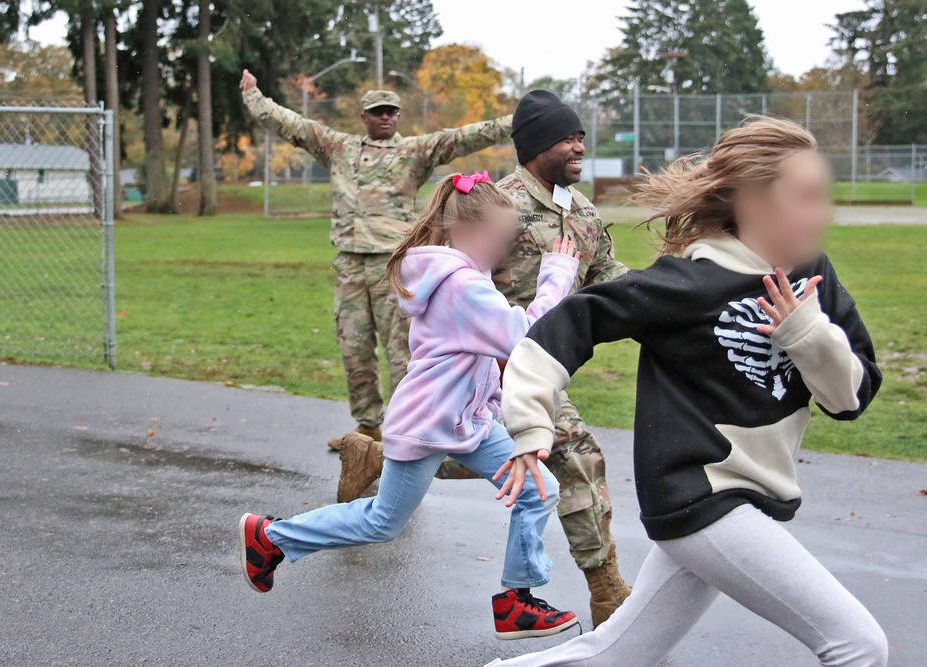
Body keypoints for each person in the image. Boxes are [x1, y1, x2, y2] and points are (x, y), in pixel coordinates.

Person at [484, 117, 888, 666]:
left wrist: (808, 334)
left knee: (615, 657)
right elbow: (556, 333)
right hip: (703, 497)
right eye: (806, 196)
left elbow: (850, 400)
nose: (823, 213)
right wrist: (532, 428)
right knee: (859, 646)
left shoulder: (813, 275)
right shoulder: (685, 285)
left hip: (750, 499)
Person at [240, 172, 581, 640]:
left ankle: (515, 602)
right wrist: (556, 278)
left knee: (538, 491)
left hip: (468, 421)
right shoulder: (461, 284)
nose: (502, 248)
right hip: (429, 421)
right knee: (383, 521)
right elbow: (523, 339)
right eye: (498, 237)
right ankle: (271, 537)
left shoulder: (463, 274)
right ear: (464, 233)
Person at [436, 90, 632, 628]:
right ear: (537, 145)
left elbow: (604, 276)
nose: (579, 147)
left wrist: (659, 298)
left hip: (547, 363)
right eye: (568, 138)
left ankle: (387, 459)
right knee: (576, 455)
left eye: (581, 138)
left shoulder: (580, 210)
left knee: (488, 455)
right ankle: (607, 590)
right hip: (501, 364)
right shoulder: (498, 206)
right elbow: (453, 280)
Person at [239, 70, 513, 450]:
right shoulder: (340, 147)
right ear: (364, 117)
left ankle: (410, 432)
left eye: (391, 112)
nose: (384, 117)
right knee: (353, 347)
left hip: (395, 268)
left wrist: (522, 121)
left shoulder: (414, 151)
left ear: (398, 117)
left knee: (403, 352)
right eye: (376, 112)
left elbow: (465, 136)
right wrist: (254, 96)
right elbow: (292, 124)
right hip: (350, 266)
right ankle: (367, 429)